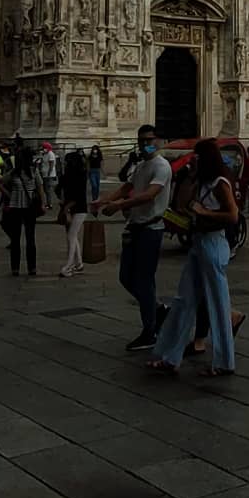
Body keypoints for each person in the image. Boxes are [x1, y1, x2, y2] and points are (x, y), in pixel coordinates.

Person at [147, 139, 240, 378]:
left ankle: (224, 362)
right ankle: (169, 357)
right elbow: (181, 204)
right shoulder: (201, 181)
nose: (193, 159)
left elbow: (232, 215)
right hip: (199, 243)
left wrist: (204, 212)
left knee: (218, 306)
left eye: (197, 157)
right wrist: (189, 176)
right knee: (183, 301)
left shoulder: (220, 183)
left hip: (214, 243)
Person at [100, 123, 173, 351]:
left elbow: (149, 195)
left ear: (159, 141)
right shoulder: (141, 165)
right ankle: (158, 309)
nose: (145, 145)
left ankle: (150, 331)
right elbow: (128, 187)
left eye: (149, 140)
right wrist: (103, 200)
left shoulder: (162, 166)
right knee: (126, 277)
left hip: (151, 229)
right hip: (135, 227)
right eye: (141, 141)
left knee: (143, 279)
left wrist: (119, 205)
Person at [0, 146, 46, 277]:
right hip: (15, 208)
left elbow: (40, 188)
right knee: (15, 239)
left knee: (30, 239)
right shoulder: (13, 172)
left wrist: (43, 204)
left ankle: (32, 268)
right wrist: (9, 195)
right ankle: (15, 268)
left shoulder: (33, 171)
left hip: (29, 208)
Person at [58, 150, 90, 277]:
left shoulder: (80, 175)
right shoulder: (68, 176)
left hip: (79, 209)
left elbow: (78, 196)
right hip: (70, 208)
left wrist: (66, 208)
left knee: (71, 236)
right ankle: (79, 263)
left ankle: (69, 265)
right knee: (73, 235)